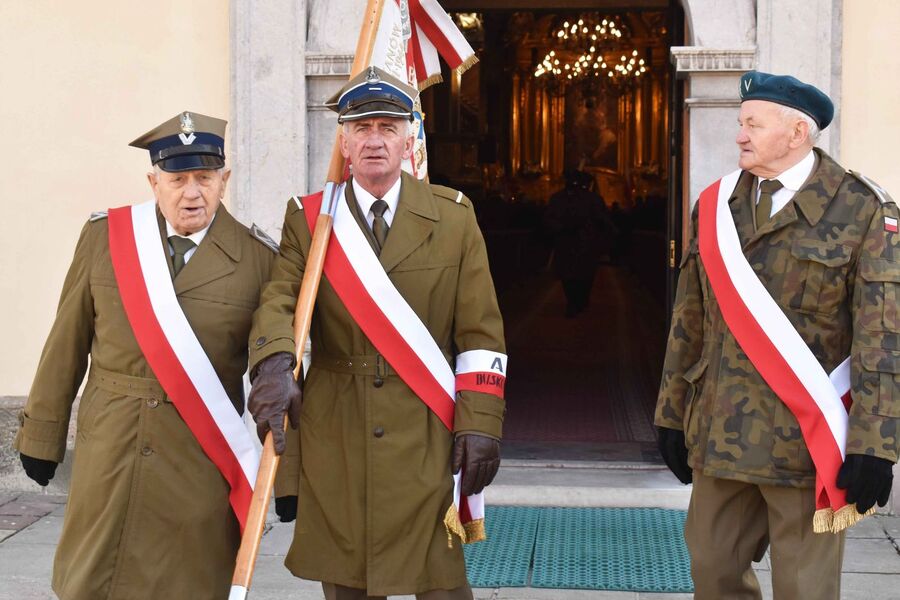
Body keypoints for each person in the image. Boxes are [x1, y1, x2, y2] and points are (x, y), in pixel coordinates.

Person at [247, 66, 507, 600]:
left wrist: (481, 422)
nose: (374, 140)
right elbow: (279, 300)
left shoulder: (454, 218)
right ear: (343, 142)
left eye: (388, 127)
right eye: (361, 128)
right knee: (349, 583)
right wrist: (273, 363)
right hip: (338, 426)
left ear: (410, 140)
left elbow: (480, 333)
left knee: (441, 583)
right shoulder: (309, 220)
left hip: (427, 427)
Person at [656, 70, 899, 599]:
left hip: (807, 446)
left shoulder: (862, 209)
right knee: (712, 575)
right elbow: (688, 321)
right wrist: (671, 415)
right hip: (722, 435)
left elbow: (882, 338)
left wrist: (876, 445)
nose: (739, 136)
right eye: (740, 123)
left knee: (804, 590)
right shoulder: (716, 205)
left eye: (753, 125)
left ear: (797, 133)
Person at [15, 112, 277, 600]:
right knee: (93, 581)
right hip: (111, 449)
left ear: (225, 180)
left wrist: (285, 469)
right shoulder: (105, 238)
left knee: (188, 584)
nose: (192, 193)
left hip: (198, 462)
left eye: (204, 178)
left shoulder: (259, 259)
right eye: (177, 180)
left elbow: (274, 367)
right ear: (154, 182)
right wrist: (41, 435)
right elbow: (65, 343)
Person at [544, 170, 609, 317]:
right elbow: (549, 219)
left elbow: (601, 220)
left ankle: (579, 300)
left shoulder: (591, 199)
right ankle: (573, 301)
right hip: (567, 241)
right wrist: (561, 228)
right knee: (569, 275)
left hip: (585, 242)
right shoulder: (558, 198)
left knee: (584, 275)